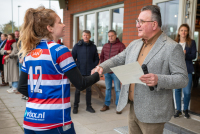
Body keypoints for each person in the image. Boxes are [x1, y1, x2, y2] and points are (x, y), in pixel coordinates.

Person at [92, 5, 188, 134]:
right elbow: (118, 59)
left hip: (153, 112)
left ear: (154, 24)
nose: (137, 25)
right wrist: (101, 67)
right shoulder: (134, 44)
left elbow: (182, 79)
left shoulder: (172, 47)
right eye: (137, 21)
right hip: (133, 108)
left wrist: (158, 79)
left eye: (141, 22)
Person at [17, 6, 99, 134]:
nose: (64, 25)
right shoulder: (60, 50)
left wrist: (41, 97)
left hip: (30, 120)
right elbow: (81, 83)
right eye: (60, 22)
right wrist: (98, 74)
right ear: (49, 28)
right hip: (54, 122)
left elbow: (22, 87)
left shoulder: (29, 52)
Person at [72, 30, 99, 114]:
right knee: (77, 90)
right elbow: (72, 58)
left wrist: (93, 66)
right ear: (82, 36)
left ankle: (89, 106)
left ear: (90, 36)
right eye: (84, 35)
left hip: (89, 72)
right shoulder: (77, 46)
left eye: (87, 35)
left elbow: (96, 59)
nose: (86, 36)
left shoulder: (93, 47)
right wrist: (77, 66)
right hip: (79, 71)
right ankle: (76, 106)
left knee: (89, 90)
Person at [174, 24, 196, 119]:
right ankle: (178, 110)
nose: (183, 32)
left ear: (187, 32)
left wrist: (185, 55)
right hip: (176, 70)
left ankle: (185, 109)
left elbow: (194, 55)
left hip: (187, 70)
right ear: (179, 32)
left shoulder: (192, 42)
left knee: (187, 92)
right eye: (182, 30)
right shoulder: (174, 43)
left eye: (185, 30)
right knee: (177, 90)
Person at [100, 30, 125, 114]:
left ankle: (118, 106)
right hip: (107, 71)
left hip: (116, 71)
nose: (110, 37)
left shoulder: (121, 45)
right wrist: (102, 67)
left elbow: (124, 58)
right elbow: (102, 57)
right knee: (108, 88)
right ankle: (106, 105)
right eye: (109, 36)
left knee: (117, 89)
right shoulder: (105, 46)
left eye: (112, 36)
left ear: (115, 36)